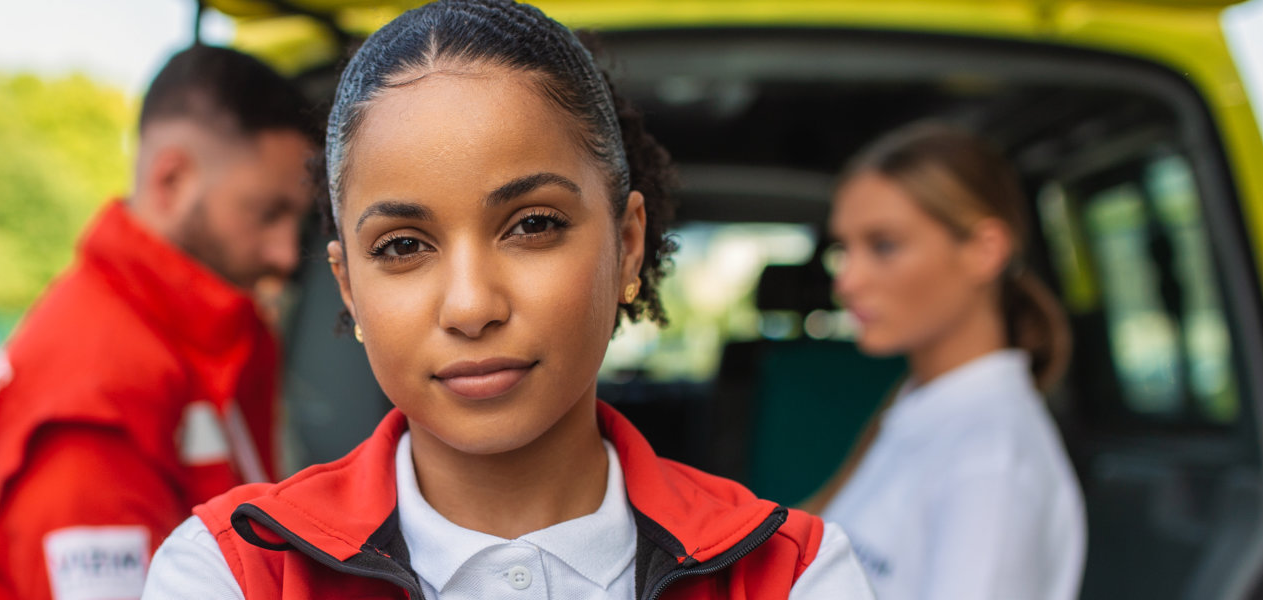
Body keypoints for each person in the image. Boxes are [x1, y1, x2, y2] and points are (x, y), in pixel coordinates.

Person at [140, 2, 876, 599]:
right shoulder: (234, 571)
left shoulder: (791, 574)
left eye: (532, 226)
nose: (469, 305)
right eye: (402, 246)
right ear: (348, 288)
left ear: (627, 244)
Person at [0, 45, 318, 600]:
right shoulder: (96, 391)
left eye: (296, 222)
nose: (285, 253)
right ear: (172, 180)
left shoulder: (185, 336)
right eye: (269, 213)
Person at [806, 122, 1085, 599]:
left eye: (884, 245)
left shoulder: (992, 461)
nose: (846, 281)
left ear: (984, 251)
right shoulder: (923, 405)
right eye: (842, 249)